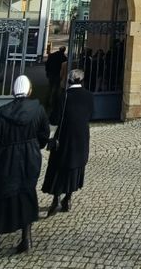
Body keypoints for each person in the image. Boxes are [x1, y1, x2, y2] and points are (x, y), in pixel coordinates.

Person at [0, 75, 50, 254]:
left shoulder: (2, 111)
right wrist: (35, 146)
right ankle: (26, 238)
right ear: (30, 91)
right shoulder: (38, 109)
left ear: (12, 91)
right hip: (29, 155)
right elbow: (44, 134)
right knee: (26, 191)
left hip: (5, 157)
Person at [42, 69, 94, 217]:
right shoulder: (89, 96)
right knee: (75, 166)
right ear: (82, 80)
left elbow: (54, 119)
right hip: (81, 137)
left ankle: (56, 199)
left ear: (69, 80)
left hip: (64, 137)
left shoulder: (63, 96)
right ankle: (68, 198)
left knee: (59, 166)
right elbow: (92, 115)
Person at [45, 46, 67, 111]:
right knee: (56, 89)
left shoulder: (52, 55)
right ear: (64, 51)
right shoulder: (64, 58)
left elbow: (47, 64)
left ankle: (47, 102)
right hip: (58, 75)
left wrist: (47, 72)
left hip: (51, 74)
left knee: (50, 88)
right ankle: (54, 103)